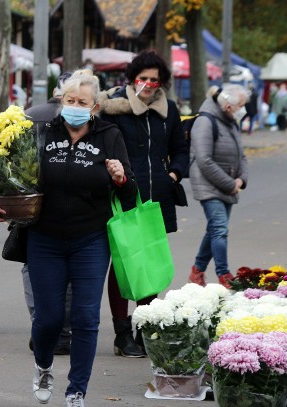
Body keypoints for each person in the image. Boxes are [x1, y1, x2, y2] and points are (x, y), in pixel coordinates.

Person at [0, 72, 137, 407]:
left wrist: (120, 177)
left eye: (83, 103)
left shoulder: (109, 135)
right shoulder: (41, 133)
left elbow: (130, 192)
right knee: (49, 317)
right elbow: (14, 178)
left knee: (86, 317)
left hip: (91, 239)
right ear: (61, 102)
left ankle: (76, 389)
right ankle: (43, 367)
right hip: (45, 238)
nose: (76, 107)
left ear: (95, 106)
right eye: (70, 101)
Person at [98, 50, 188, 358]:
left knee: (150, 261)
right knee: (123, 263)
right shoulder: (114, 110)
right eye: (143, 78)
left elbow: (180, 149)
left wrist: (174, 174)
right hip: (123, 196)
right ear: (132, 79)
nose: (149, 84)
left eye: (155, 79)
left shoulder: (169, 110)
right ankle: (122, 333)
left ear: (162, 81)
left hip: (158, 197)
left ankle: (144, 327)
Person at [22, 70, 74, 355]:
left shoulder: (30, 114)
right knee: (68, 271)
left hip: (28, 203)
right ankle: (63, 333)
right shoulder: (87, 119)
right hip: (71, 208)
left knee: (32, 266)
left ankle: (40, 324)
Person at [188, 84, 249, 289]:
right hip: (208, 184)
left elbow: (241, 154)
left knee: (214, 229)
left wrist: (241, 179)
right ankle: (224, 274)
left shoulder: (231, 121)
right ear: (228, 106)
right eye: (241, 105)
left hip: (228, 185)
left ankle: (197, 271)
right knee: (220, 229)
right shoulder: (205, 122)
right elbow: (204, 160)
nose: (243, 109)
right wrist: (230, 183)